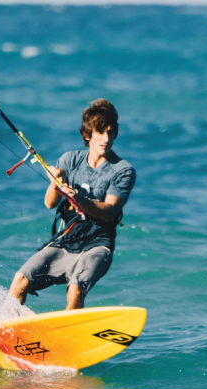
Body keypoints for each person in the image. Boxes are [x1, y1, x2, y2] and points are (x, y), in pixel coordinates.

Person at [7, 99, 136, 310]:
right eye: (100, 132)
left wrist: (76, 197)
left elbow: (109, 212)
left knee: (75, 290)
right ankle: (5, 332)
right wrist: (54, 182)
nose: (106, 139)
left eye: (110, 133)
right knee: (20, 280)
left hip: (97, 245)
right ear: (87, 135)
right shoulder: (69, 160)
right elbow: (49, 203)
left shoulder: (123, 170)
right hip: (66, 240)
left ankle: (67, 339)